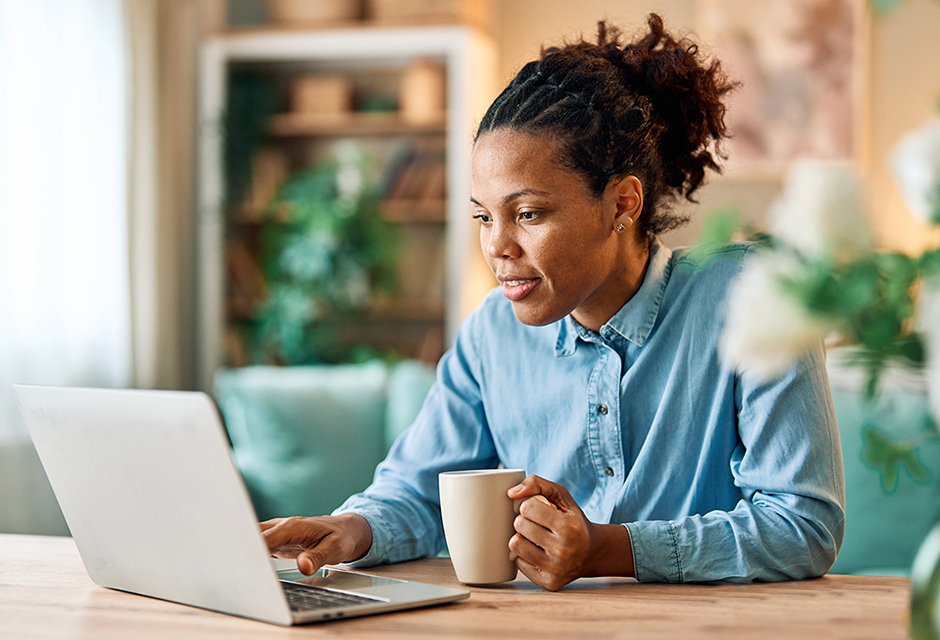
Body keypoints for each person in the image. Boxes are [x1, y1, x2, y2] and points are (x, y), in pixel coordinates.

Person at [260, 14, 845, 591]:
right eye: (484, 216)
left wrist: (609, 548)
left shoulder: (752, 298)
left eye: (528, 213)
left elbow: (804, 523)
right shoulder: (492, 333)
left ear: (622, 204)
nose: (496, 245)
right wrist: (351, 528)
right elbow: (416, 492)